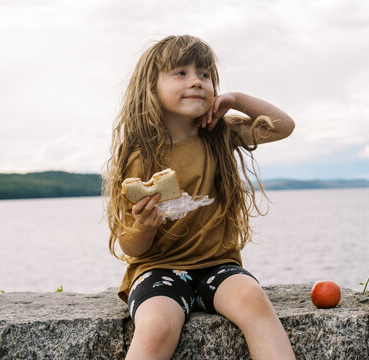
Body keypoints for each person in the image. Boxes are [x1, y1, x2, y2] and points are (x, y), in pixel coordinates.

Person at [104, 34, 296, 359]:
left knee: (255, 302)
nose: (196, 80)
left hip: (217, 266)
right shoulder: (138, 156)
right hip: (157, 269)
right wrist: (145, 226)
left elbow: (283, 126)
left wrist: (235, 98)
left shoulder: (220, 135)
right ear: (150, 87)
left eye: (204, 74)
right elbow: (129, 246)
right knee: (157, 328)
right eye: (180, 73)